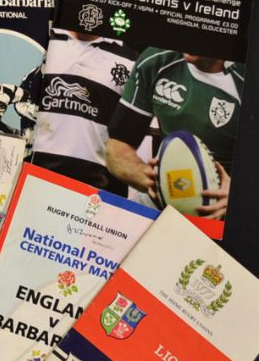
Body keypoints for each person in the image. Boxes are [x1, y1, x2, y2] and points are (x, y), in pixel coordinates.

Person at [106, 48, 240, 219]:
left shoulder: (246, 77)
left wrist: (240, 195)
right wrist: (152, 180)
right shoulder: (156, 61)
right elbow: (117, 148)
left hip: (223, 210)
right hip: (164, 195)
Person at [31, 29, 140, 195]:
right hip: (30, 177)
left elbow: (128, 135)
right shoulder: (43, 38)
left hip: (89, 189)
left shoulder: (131, 60)